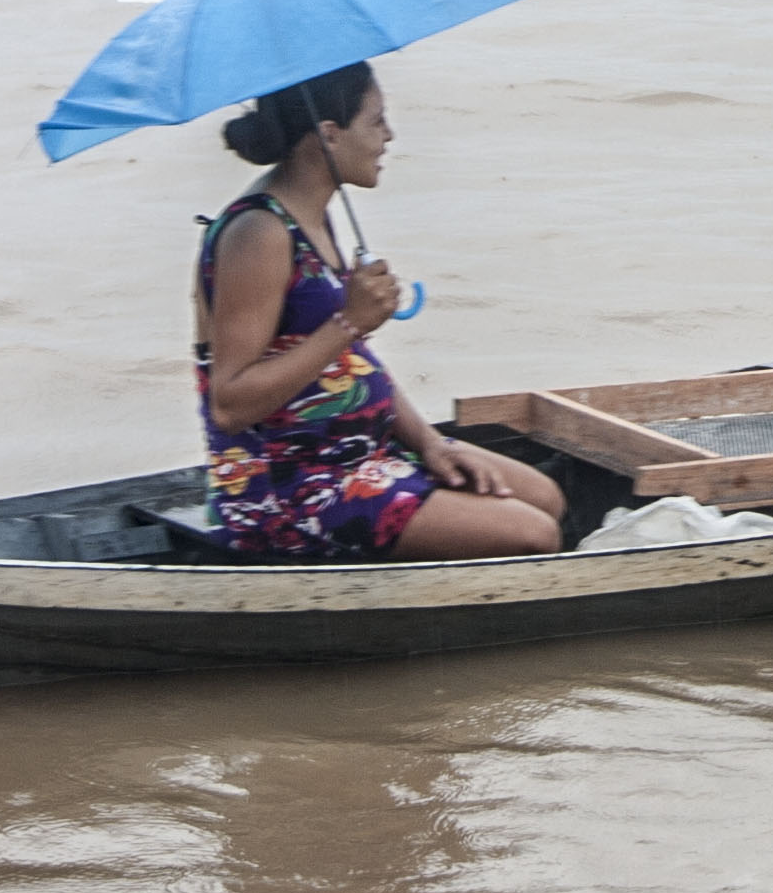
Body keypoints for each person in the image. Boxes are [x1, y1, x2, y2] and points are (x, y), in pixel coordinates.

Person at [194, 61, 569, 559]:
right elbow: (231, 403)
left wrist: (428, 442)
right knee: (532, 535)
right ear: (329, 135)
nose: (388, 137)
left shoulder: (313, 214)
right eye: (376, 122)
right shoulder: (258, 234)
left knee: (546, 497)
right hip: (290, 485)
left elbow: (347, 365)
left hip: (358, 451)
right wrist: (349, 322)